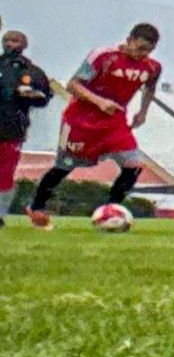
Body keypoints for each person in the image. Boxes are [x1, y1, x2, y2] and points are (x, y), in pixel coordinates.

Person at [29, 22, 162, 226]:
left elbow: (150, 88)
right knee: (65, 166)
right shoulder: (103, 56)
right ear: (129, 40)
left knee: (134, 164)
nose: (143, 54)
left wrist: (143, 112)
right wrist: (99, 101)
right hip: (81, 121)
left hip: (114, 122)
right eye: (140, 48)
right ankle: (36, 207)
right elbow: (73, 85)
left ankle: (111, 210)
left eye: (149, 51)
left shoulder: (152, 67)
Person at [1, 29, 57, 223]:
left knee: (5, 176)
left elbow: (44, 97)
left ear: (24, 45)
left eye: (15, 41)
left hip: (12, 129)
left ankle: (0, 213)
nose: (9, 44)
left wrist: (32, 95)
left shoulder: (32, 72)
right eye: (7, 40)